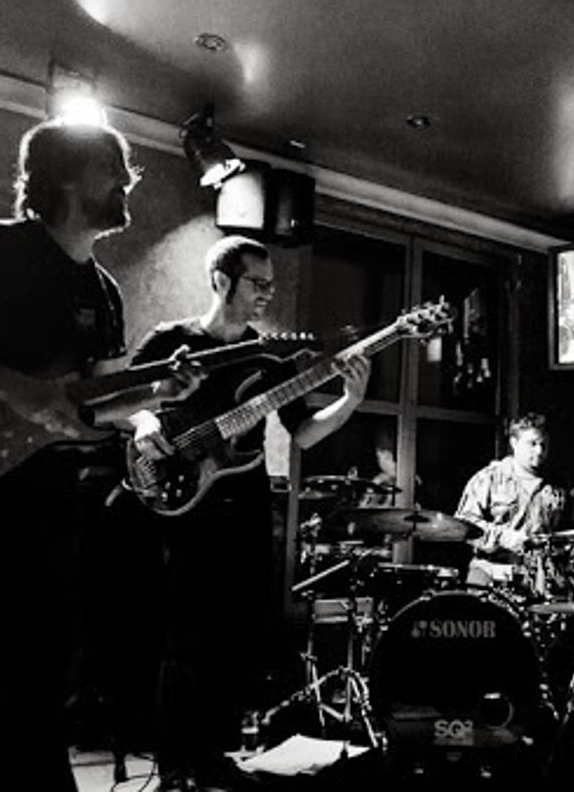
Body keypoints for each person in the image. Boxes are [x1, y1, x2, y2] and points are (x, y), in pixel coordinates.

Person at [0, 119, 200, 792]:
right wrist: (14, 388)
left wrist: (160, 393)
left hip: (51, 483)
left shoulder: (104, 292)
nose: (128, 181)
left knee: (46, 651)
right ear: (67, 177)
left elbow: (97, 405)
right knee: (31, 642)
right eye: (113, 167)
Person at [125, 234, 370, 791]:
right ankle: (175, 765)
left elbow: (303, 433)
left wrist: (349, 401)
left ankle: (214, 755)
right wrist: (144, 422)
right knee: (186, 634)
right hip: (185, 502)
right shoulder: (171, 340)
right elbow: (123, 404)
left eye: (271, 285)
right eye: (258, 283)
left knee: (237, 633)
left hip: (247, 502)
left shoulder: (266, 356)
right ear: (221, 281)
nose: (267, 294)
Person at [455, 412, 569, 601]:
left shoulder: (558, 485)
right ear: (514, 443)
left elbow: (568, 531)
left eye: (544, 444)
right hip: (493, 575)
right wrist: (503, 537)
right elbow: (463, 523)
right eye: (532, 443)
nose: (539, 451)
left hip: (541, 583)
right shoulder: (489, 478)